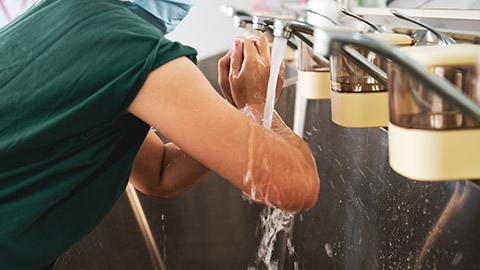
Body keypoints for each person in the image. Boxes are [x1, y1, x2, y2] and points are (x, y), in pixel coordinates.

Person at [0, 0, 320, 269]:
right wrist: (258, 102)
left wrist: (240, 113)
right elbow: (296, 185)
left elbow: (158, 172)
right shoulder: (123, 43)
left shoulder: (70, 12)